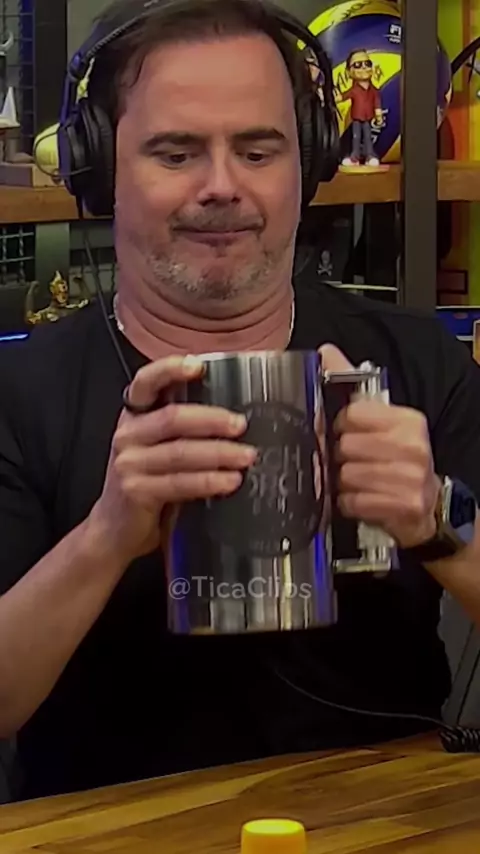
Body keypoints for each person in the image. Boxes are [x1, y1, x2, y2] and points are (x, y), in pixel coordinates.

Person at [0, 0, 480, 802]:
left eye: (258, 151)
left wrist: (438, 517)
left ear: (310, 161)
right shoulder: (21, 395)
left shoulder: (418, 360)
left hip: (385, 825)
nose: (222, 187)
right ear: (99, 167)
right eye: (176, 152)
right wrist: (105, 538)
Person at [340, 49, 384, 168]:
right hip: (356, 118)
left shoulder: (373, 90)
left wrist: (378, 114)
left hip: (368, 118)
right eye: (358, 65)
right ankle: (355, 157)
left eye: (367, 64)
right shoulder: (354, 90)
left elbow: (377, 102)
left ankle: (370, 155)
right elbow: (343, 96)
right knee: (356, 137)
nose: (364, 67)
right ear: (349, 72)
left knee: (368, 137)